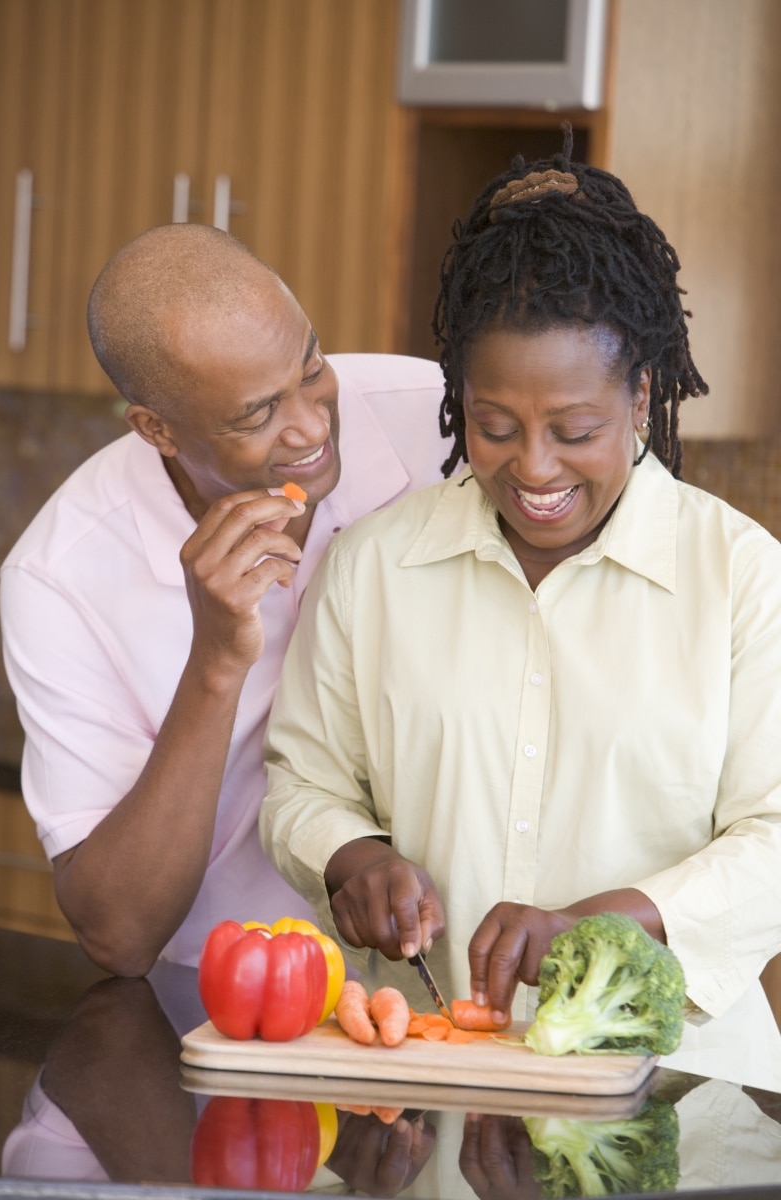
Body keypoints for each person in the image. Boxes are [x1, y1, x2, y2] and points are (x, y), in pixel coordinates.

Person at [260, 129, 781, 1090]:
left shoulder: (744, 578)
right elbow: (302, 782)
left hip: (680, 1095)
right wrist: (352, 855)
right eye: (495, 427)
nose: (533, 468)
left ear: (642, 396)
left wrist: (612, 921)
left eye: (574, 430)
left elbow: (776, 840)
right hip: (425, 1086)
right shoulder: (374, 566)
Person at [0, 222, 450, 977]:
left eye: (310, 366)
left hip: (460, 976)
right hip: (234, 1006)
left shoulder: (439, 419)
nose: (311, 424)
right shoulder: (60, 578)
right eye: (257, 413)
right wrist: (214, 661)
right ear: (157, 430)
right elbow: (117, 934)